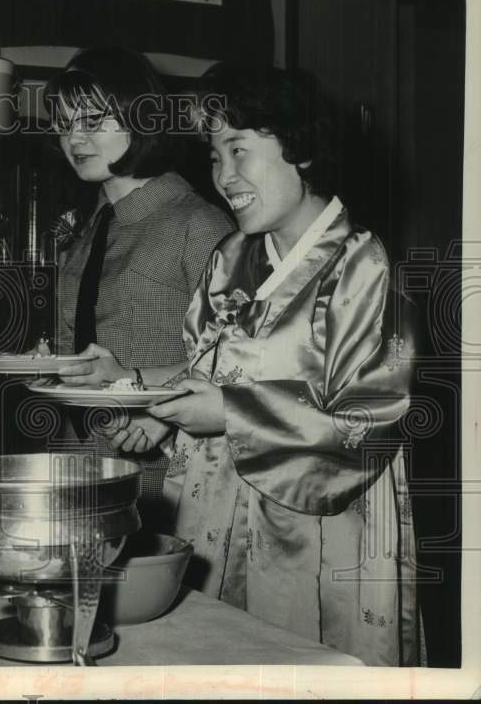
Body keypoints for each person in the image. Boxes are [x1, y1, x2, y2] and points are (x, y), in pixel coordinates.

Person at [111, 64, 419, 666]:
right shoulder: (229, 256)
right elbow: (209, 368)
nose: (224, 176)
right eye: (213, 155)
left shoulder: (364, 266)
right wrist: (164, 417)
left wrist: (229, 412)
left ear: (299, 149)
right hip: (216, 508)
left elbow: (368, 424)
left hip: (318, 526)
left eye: (239, 150)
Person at [46, 46, 233, 492]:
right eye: (64, 126)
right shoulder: (89, 228)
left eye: (92, 122)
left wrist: (166, 413)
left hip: (159, 471)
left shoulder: (200, 223)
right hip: (74, 456)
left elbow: (242, 359)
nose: (74, 141)